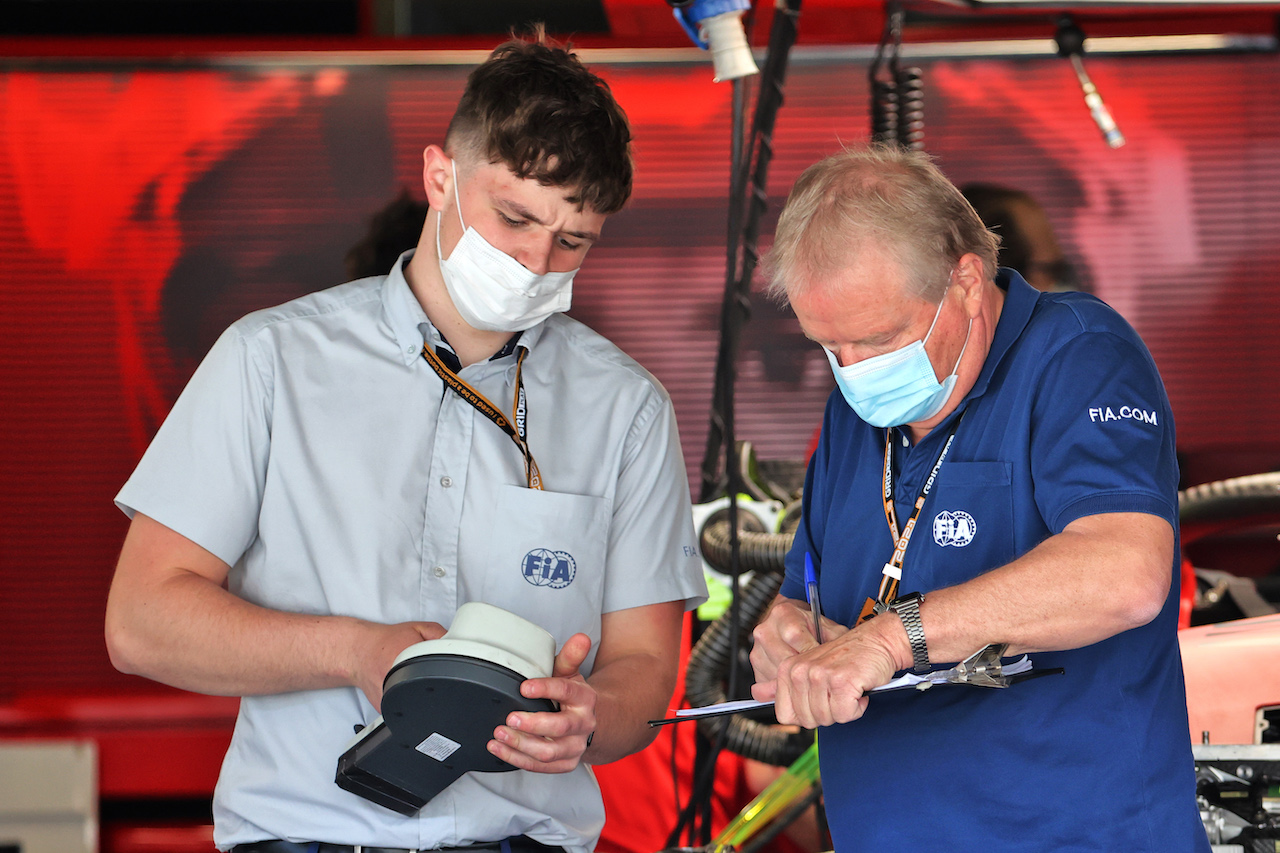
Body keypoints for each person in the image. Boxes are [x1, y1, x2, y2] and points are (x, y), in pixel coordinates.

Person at [105, 33, 706, 853]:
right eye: (516, 217)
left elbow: (644, 669)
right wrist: (355, 650)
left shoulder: (627, 409)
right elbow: (140, 621)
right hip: (302, 836)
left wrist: (592, 722)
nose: (536, 261)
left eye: (573, 241)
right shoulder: (270, 359)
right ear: (439, 176)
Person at [749, 145, 1207, 851]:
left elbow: (1125, 572)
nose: (855, 372)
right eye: (828, 345)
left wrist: (890, 638)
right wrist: (787, 639)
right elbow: (808, 589)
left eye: (877, 340)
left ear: (965, 279)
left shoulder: (1078, 355)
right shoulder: (852, 414)